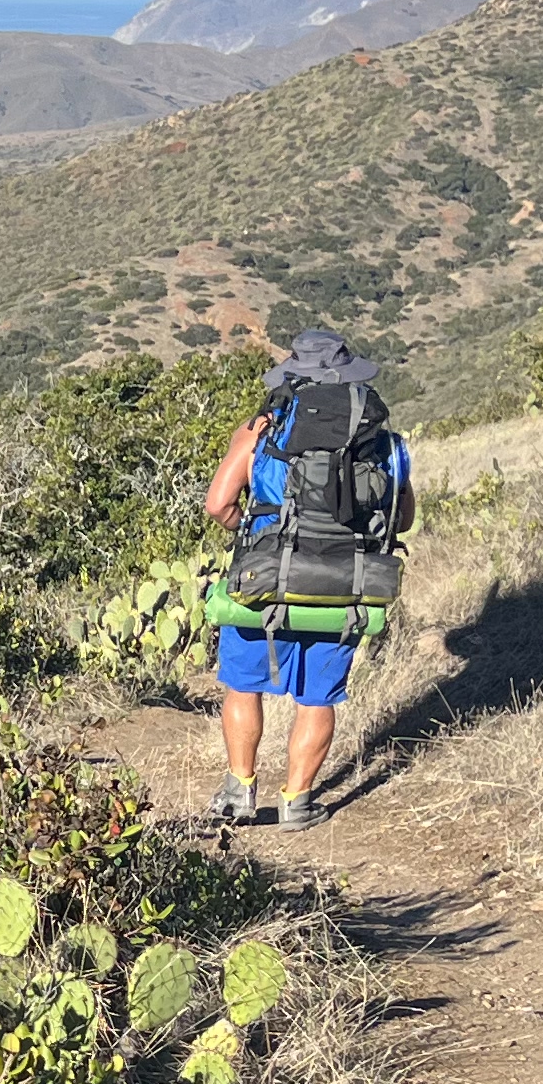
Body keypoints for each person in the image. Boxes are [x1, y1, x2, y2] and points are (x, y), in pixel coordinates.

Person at [200, 330, 410, 827]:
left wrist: (257, 532)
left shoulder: (260, 430)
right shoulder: (382, 442)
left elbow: (218, 505)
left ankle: (238, 793)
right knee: (318, 698)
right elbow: (400, 520)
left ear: (293, 376)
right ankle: (297, 801)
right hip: (344, 583)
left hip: (264, 579)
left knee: (243, 687)